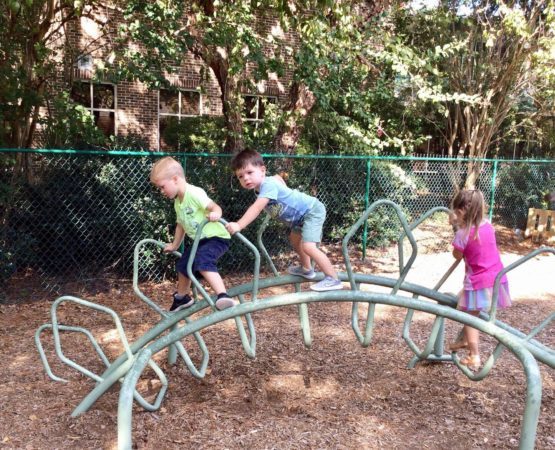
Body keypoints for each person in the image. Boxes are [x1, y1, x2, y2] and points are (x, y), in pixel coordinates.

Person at [225, 149, 343, 292]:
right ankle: (307, 269)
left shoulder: (267, 186)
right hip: (299, 219)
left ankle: (333, 278)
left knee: (309, 247)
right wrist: (283, 186)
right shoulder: (263, 187)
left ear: (262, 170)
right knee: (294, 240)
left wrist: (239, 225)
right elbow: (277, 177)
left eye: (250, 172)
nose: (246, 178)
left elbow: (256, 208)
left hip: (311, 211)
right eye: (240, 176)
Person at [150, 157, 237, 311]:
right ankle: (182, 297)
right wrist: (175, 245)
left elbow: (214, 206)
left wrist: (216, 213)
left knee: (203, 260)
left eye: (162, 187)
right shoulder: (178, 202)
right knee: (183, 264)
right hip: (201, 241)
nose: (162, 191)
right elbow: (180, 225)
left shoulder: (194, 193)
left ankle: (223, 295)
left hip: (216, 238)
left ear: (175, 179)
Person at [447, 189, 512, 370]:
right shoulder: (487, 225)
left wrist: (457, 228)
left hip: (477, 281)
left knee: (468, 315)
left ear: (460, 212)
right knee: (464, 305)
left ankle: (473, 355)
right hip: (497, 278)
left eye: (457, 214)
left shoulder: (462, 234)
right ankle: (465, 340)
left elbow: (457, 255)